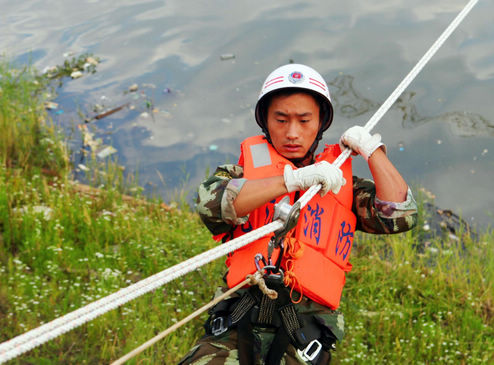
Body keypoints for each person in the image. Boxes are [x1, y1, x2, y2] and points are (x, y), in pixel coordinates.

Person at [179, 64, 418, 365]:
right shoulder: (240, 176)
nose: (292, 133)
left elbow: (401, 213)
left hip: (303, 336)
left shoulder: (340, 184)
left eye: (305, 120)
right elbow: (210, 204)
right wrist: (293, 180)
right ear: (265, 121)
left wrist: (372, 151)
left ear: (320, 123)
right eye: (281, 119)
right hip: (237, 324)